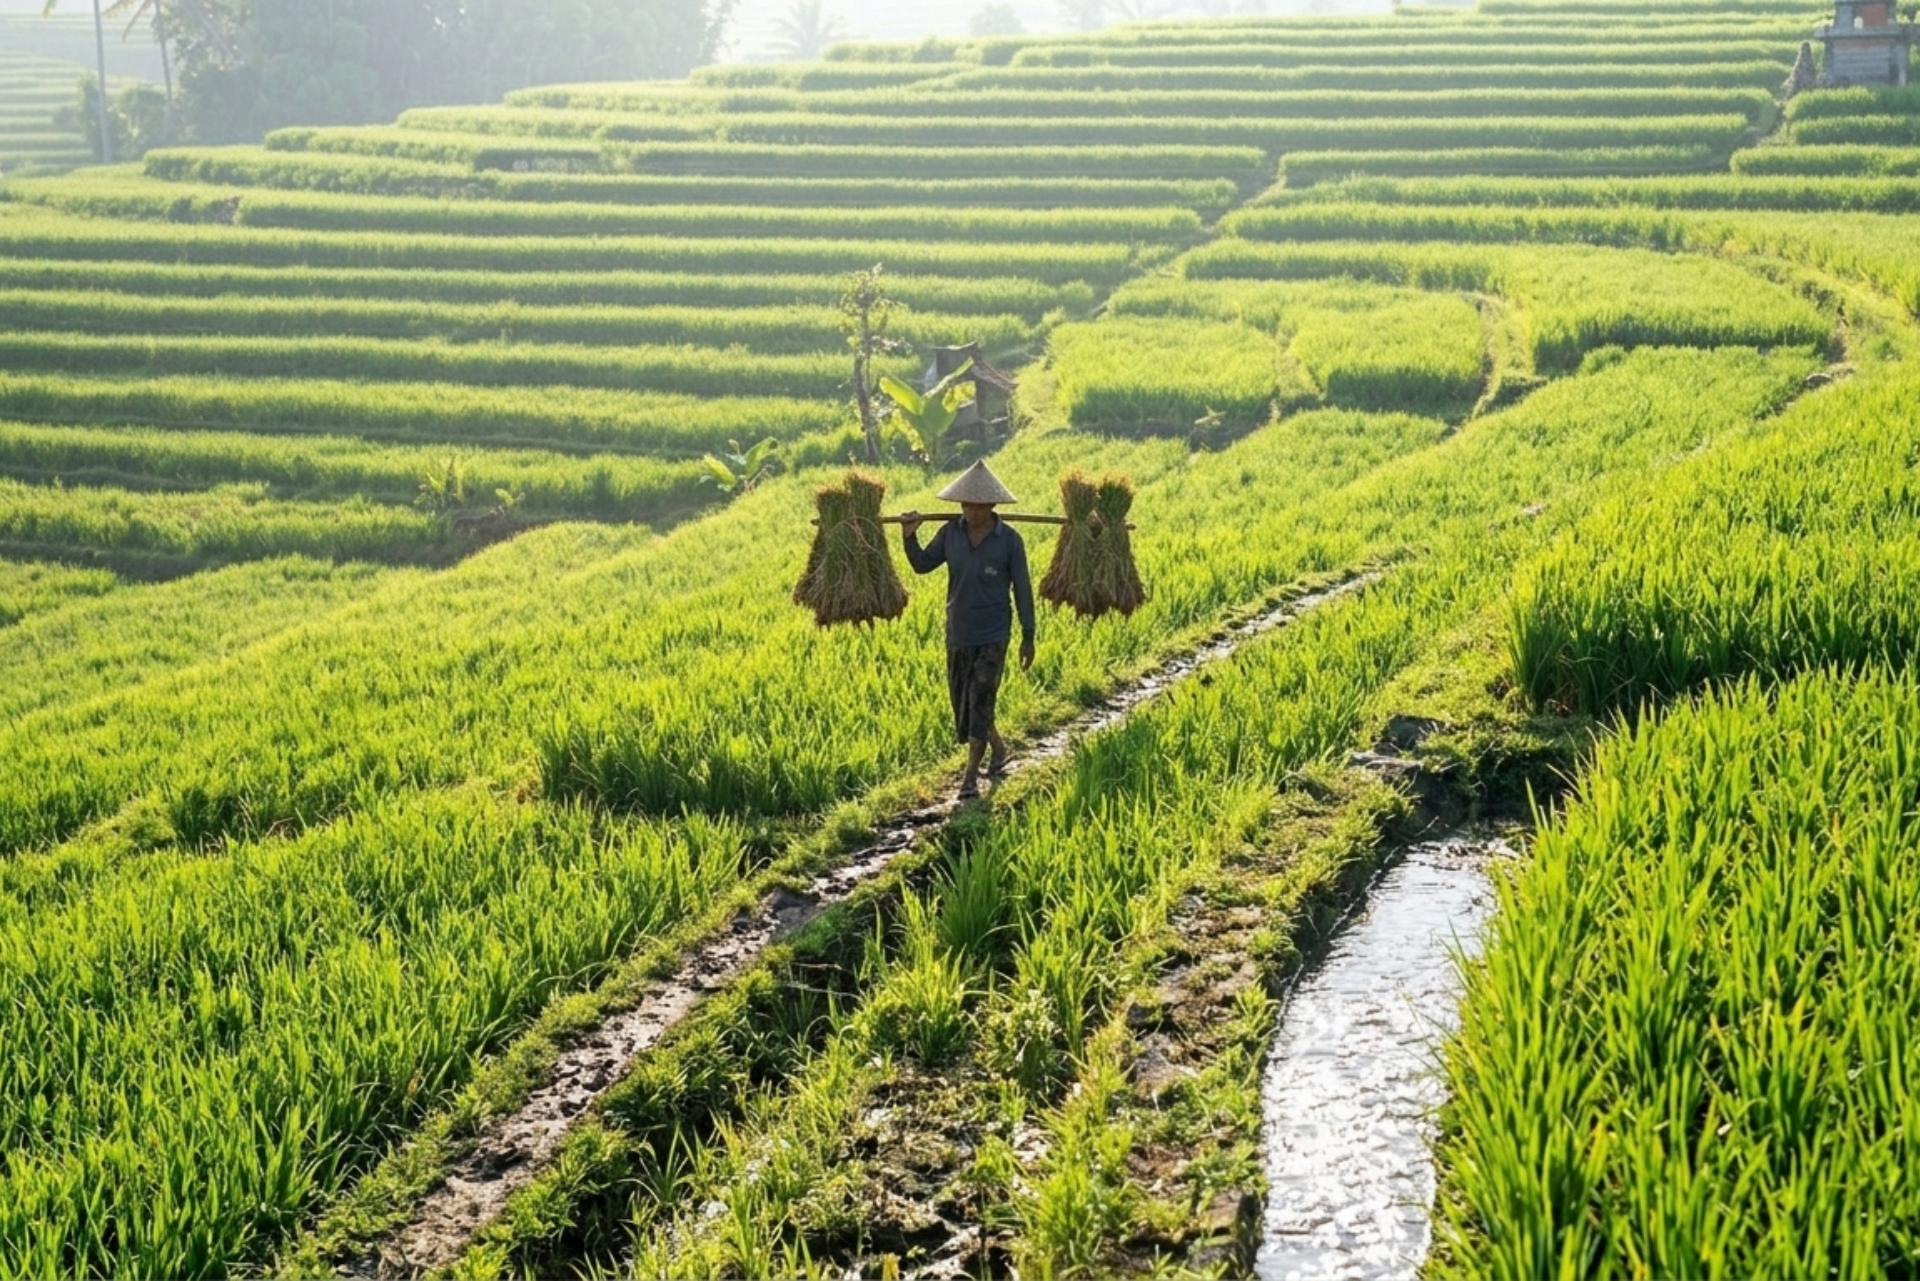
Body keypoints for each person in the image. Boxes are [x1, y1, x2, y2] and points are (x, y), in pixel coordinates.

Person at [900, 460, 1036, 800]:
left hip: (993, 633)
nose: (972, 511)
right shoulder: (950, 534)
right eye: (967, 504)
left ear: (992, 505)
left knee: (981, 698)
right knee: (966, 704)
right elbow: (921, 566)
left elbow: (1022, 589)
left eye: (979, 505)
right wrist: (909, 536)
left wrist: (1028, 636)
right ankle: (1000, 751)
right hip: (958, 631)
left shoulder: (1009, 541)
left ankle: (970, 778)